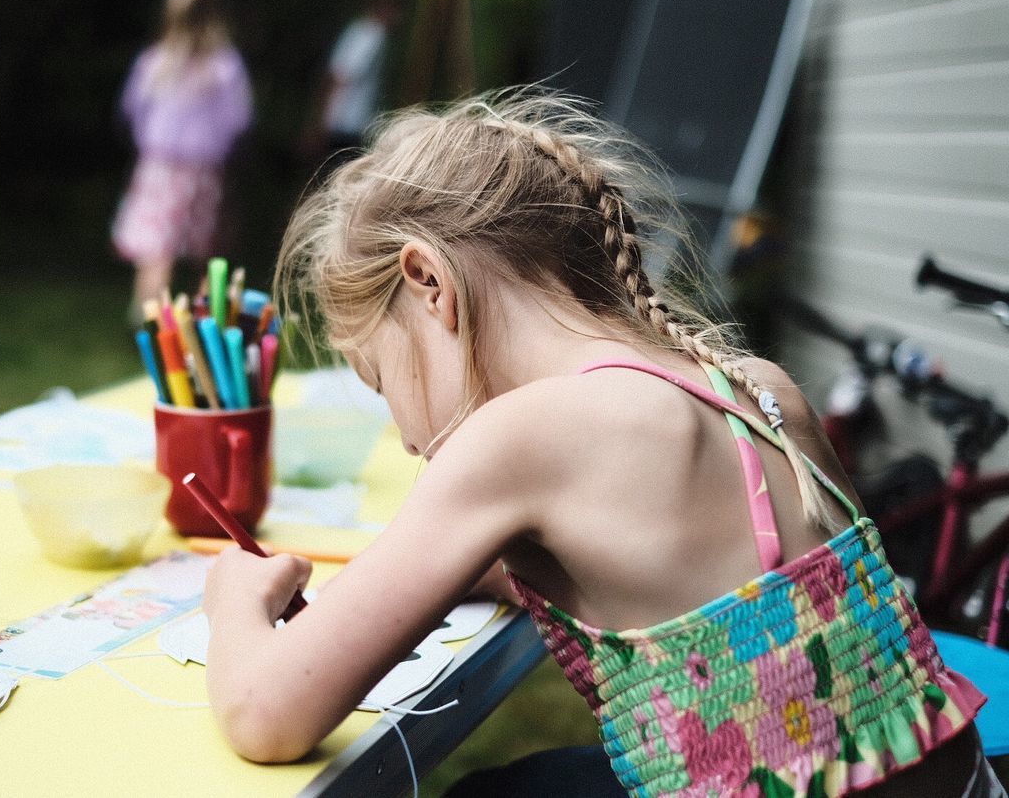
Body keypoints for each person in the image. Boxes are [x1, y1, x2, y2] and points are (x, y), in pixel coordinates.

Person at [201, 92, 1002, 797]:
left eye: (383, 381)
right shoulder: (758, 386)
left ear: (429, 282)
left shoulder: (513, 440)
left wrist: (234, 599)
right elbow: (732, 599)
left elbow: (264, 711)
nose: (408, 439)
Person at [112, 0, 251, 312]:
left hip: (158, 167)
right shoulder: (224, 66)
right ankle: (206, 327)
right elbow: (238, 120)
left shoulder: (156, 62)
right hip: (202, 171)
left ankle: (148, 326)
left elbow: (133, 109)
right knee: (206, 257)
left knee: (156, 255)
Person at [302, 0, 411, 171]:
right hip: (346, 128)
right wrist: (320, 125)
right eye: (398, 6)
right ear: (384, 4)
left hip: (347, 128)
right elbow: (337, 78)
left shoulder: (362, 32)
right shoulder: (371, 37)